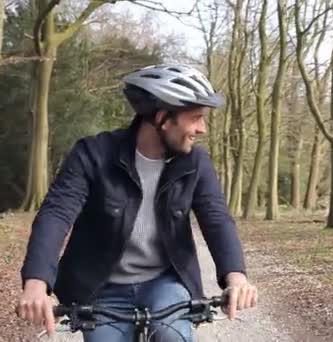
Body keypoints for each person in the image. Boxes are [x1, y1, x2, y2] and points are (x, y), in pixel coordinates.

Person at [16, 64, 257, 342]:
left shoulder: (196, 162)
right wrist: (36, 284)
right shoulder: (93, 154)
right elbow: (56, 214)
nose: (202, 128)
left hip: (164, 281)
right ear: (163, 117)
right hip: (102, 287)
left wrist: (235, 277)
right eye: (196, 118)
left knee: (172, 336)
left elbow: (216, 218)